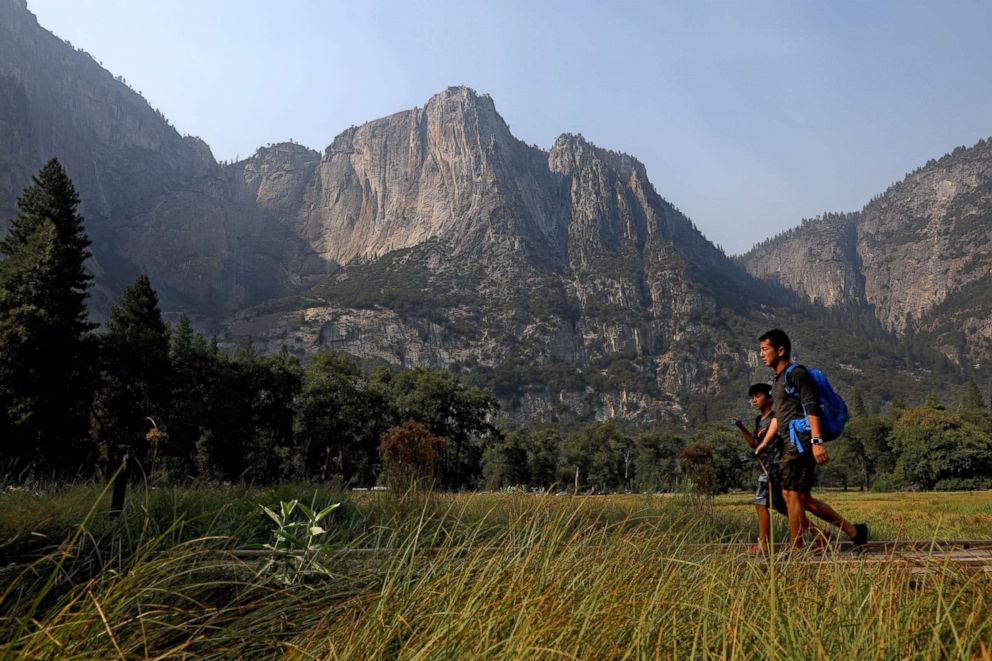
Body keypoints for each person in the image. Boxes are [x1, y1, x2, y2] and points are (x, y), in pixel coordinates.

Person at [757, 328, 868, 550]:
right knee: (802, 498)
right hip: (790, 443)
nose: (761, 354)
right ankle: (855, 531)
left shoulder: (796, 373)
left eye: (764, 349)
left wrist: (817, 441)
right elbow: (779, 417)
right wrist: (764, 443)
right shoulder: (777, 381)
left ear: (780, 350)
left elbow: (812, 405)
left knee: (792, 494)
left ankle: (797, 549)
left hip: (801, 442)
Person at [734, 384, 823, 554]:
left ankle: (764, 543)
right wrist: (741, 427)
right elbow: (755, 443)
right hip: (766, 467)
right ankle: (820, 535)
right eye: (752, 397)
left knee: (760, 502)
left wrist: (763, 449)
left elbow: (771, 442)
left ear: (769, 398)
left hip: (775, 467)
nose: (754, 400)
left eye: (757, 396)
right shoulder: (759, 421)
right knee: (784, 508)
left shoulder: (776, 418)